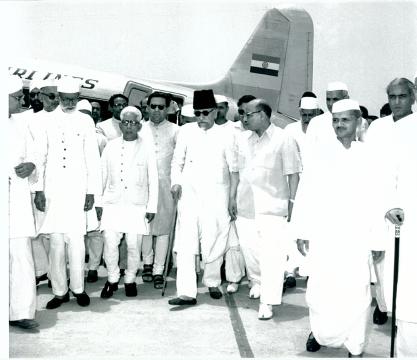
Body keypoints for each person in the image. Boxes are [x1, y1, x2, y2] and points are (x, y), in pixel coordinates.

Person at [293, 99, 384, 357]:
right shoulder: (320, 153)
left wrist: (377, 239)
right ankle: (319, 333)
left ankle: (355, 344)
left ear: (358, 122)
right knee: (321, 288)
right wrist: (302, 230)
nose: (339, 125)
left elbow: (376, 199)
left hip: (357, 236)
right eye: (335, 120)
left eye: (345, 120)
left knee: (356, 290)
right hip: (325, 234)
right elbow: (305, 193)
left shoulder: (368, 156)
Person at [230, 99, 301, 320]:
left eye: (248, 114)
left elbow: (293, 174)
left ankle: (268, 301)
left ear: (263, 114)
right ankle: (258, 282)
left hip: (273, 207)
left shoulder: (284, 138)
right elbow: (235, 172)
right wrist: (232, 198)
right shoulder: (241, 139)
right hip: (245, 206)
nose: (244, 118)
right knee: (250, 253)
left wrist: (292, 204)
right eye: (243, 114)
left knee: (272, 256)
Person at [33, 78, 101, 310]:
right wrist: (38, 189)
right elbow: (40, 155)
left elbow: (92, 158)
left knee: (77, 243)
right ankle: (59, 291)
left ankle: (78, 289)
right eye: (66, 99)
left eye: (74, 99)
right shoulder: (47, 121)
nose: (70, 103)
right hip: (53, 190)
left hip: (77, 190)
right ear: (59, 98)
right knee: (56, 243)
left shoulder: (86, 120)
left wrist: (92, 192)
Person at [168, 89, 237, 305]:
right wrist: (175, 182)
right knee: (187, 242)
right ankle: (187, 292)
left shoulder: (228, 134)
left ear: (216, 112)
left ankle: (212, 281)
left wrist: (232, 198)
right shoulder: (186, 131)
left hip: (217, 195)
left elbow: (234, 170)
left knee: (214, 239)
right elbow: (176, 162)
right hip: (189, 196)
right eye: (198, 113)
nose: (201, 118)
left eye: (206, 113)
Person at [366, 78, 416, 326]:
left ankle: (403, 313)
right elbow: (369, 169)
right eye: (392, 97)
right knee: (380, 260)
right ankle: (383, 305)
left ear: (412, 97)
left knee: (406, 265)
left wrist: (399, 204)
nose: (396, 102)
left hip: (408, 208)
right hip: (377, 205)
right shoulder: (376, 128)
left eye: (402, 96)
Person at [98, 106, 158, 298]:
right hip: (113, 203)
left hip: (137, 205)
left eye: (133, 122)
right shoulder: (111, 146)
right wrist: (99, 203)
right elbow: (102, 176)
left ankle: (130, 279)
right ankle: (112, 279)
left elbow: (153, 179)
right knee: (110, 243)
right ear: (120, 124)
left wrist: (152, 206)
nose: (129, 126)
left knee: (134, 245)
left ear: (139, 125)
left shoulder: (147, 147)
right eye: (125, 122)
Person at [8, 76, 40, 330]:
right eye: (17, 97)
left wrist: (31, 165)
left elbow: (34, 153)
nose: (22, 101)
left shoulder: (21, 124)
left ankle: (22, 311)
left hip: (16, 200)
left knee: (21, 255)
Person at [140, 92, 179, 289]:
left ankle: (158, 269)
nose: (156, 110)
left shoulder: (175, 131)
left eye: (161, 107)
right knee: (145, 226)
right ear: (146, 107)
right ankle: (146, 263)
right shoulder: (139, 128)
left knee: (163, 229)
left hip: (166, 186)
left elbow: (179, 161)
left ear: (167, 109)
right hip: (143, 186)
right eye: (153, 106)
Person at [283, 96, 321, 284]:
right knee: (293, 226)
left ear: (317, 112)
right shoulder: (290, 130)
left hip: (318, 185)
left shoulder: (324, 128)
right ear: (299, 113)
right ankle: (290, 270)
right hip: (295, 183)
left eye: (311, 114)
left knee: (314, 227)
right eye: (304, 114)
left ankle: (310, 270)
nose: (307, 118)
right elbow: (288, 162)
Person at [214, 94, 246, 294]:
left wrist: (234, 195)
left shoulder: (237, 130)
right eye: (215, 107)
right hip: (215, 191)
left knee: (236, 240)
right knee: (218, 237)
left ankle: (238, 278)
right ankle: (219, 275)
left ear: (227, 108)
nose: (218, 111)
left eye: (222, 107)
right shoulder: (204, 130)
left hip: (236, 190)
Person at [95, 93, 129, 275]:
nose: (120, 108)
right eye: (117, 104)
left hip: (129, 186)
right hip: (110, 183)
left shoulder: (133, 124)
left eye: (123, 104)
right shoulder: (102, 127)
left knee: (127, 232)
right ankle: (110, 269)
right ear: (110, 107)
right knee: (110, 232)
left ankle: (123, 267)